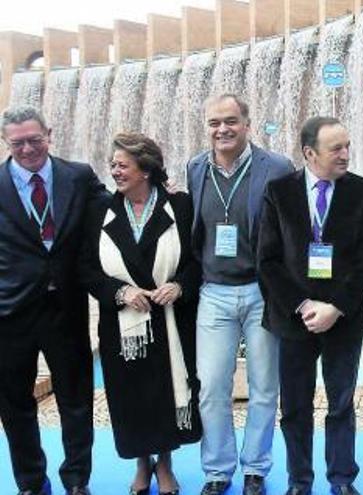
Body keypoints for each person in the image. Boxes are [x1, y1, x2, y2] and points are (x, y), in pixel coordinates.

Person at [257, 116, 363, 495]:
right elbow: (268, 261)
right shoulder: (278, 192)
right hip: (294, 319)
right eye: (336, 149)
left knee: (341, 404)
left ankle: (342, 479)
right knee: (294, 408)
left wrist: (335, 307)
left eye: (347, 146)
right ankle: (300, 481)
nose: (345, 154)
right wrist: (304, 304)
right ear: (310, 153)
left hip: (344, 318)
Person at [79, 132, 203, 495]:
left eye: (122, 165)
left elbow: (198, 261)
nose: (115, 171)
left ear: (145, 169)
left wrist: (179, 286)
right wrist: (120, 292)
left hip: (171, 322)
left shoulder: (179, 205)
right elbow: (86, 268)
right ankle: (141, 464)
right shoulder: (99, 210)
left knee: (165, 393)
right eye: (113, 165)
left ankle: (165, 464)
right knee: (129, 396)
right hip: (122, 325)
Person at [186, 93, 292, 495]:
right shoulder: (196, 168)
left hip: (261, 292)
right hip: (214, 292)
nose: (222, 130)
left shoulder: (277, 167)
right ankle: (217, 471)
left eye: (230, 121)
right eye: (214, 123)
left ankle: (255, 470)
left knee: (265, 386)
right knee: (212, 386)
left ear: (247, 123)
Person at [0, 105, 106, 495]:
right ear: (5, 142)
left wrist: (162, 192)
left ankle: (77, 481)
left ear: (50, 133)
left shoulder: (77, 177)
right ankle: (30, 483)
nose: (28, 149)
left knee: (76, 402)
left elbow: (117, 208)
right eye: (18, 143)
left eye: (35, 139)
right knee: (15, 406)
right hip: (10, 313)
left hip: (67, 308)